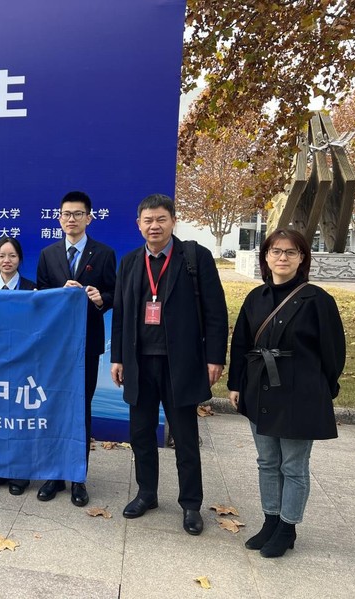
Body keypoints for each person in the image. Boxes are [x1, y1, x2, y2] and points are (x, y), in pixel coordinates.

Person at [110, 193, 227, 536]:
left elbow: (216, 311)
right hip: (139, 363)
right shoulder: (130, 262)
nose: (154, 226)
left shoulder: (194, 257)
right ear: (138, 225)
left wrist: (215, 357)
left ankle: (191, 504)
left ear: (173, 221)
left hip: (181, 363)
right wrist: (117, 357)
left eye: (161, 219)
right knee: (141, 433)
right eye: (148, 220)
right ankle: (146, 493)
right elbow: (121, 313)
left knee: (185, 438)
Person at [228, 228, 345, 557]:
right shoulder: (256, 298)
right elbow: (241, 344)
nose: (282, 257)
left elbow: (333, 352)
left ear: (302, 258)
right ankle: (270, 520)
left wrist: (321, 390)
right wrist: (236, 384)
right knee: (267, 461)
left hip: (300, 393)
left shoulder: (318, 300)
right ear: (266, 257)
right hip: (260, 389)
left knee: (293, 465)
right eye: (276, 251)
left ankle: (287, 527)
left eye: (291, 252)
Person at [36, 191, 116, 507]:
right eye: (66, 214)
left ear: (89, 218)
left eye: (78, 214)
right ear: (59, 218)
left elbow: (115, 294)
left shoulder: (105, 253)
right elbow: (40, 296)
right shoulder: (48, 254)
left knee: (81, 410)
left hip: (88, 344)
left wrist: (100, 298)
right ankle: (54, 475)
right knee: (54, 406)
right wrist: (60, 292)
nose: (71, 219)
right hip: (55, 346)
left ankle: (78, 477)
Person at [0, 236, 35, 495]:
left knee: (18, 417)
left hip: (22, 362)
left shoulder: (31, 289)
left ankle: (19, 473)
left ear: (20, 259)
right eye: (1, 256)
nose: (7, 260)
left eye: (12, 256)